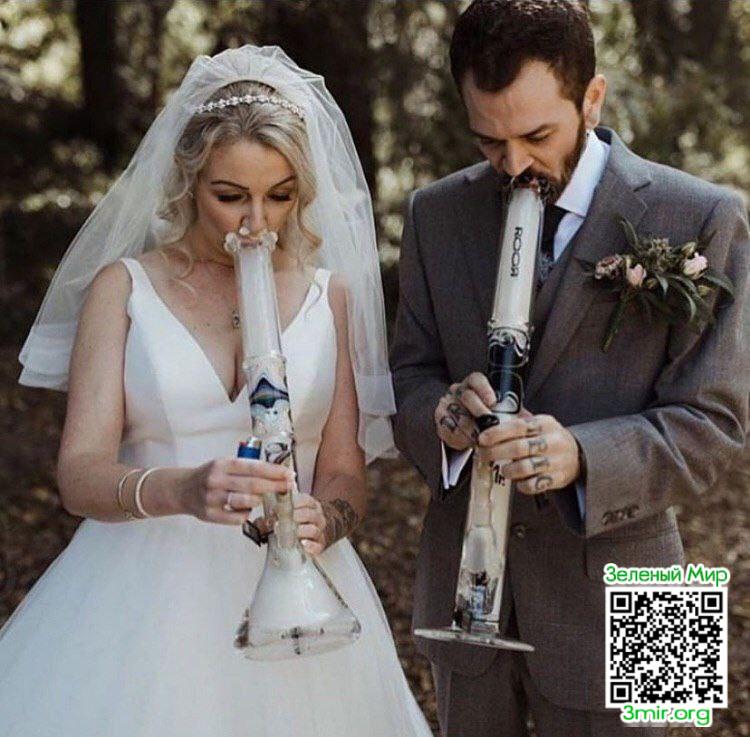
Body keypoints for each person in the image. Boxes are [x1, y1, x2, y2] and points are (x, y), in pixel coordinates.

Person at [0, 45, 432, 737]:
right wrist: (181, 488)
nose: (257, 221)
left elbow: (344, 472)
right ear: (187, 181)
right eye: (230, 196)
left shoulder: (333, 297)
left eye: (280, 196)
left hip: (302, 594)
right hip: (141, 593)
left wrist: (329, 518)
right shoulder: (124, 289)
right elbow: (78, 473)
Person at [390, 1, 749, 736]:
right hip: (467, 601)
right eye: (488, 139)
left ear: (593, 98)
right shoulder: (435, 214)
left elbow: (717, 424)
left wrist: (581, 456)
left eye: (537, 136)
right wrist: (444, 419)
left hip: (644, 593)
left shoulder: (706, 215)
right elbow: (406, 377)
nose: (513, 163)